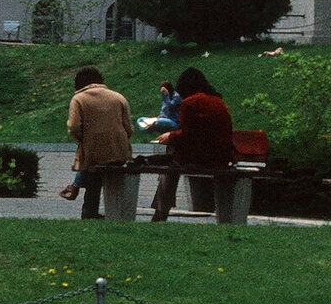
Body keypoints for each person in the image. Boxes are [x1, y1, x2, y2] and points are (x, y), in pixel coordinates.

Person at [148, 65, 234, 222]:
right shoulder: (218, 102)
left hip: (200, 157)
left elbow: (188, 135)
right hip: (221, 157)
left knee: (170, 163)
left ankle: (161, 210)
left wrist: (171, 137)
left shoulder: (190, 103)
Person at [62, 65, 134, 216]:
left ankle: (88, 208)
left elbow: (74, 126)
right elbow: (129, 129)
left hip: (93, 152)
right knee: (101, 166)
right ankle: (110, 209)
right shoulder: (118, 97)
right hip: (119, 151)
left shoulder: (79, 99)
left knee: (91, 168)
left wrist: (82, 138)